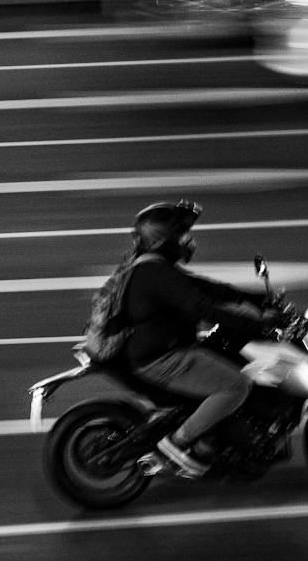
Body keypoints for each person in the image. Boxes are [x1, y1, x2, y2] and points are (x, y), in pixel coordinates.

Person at [104, 200, 277, 479]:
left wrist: (255, 298)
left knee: (226, 352)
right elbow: (201, 308)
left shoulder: (157, 269)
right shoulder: (154, 273)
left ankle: (215, 436)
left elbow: (205, 288)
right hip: (163, 357)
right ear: (163, 239)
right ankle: (177, 444)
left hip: (165, 349)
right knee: (236, 385)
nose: (189, 241)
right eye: (182, 234)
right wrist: (257, 322)